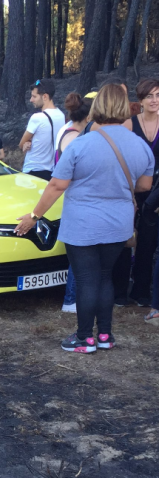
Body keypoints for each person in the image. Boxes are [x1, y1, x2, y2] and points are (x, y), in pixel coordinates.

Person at [14, 84, 154, 353]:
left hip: (83, 224)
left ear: (98, 107)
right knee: (104, 277)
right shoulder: (139, 145)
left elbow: (56, 185)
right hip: (119, 224)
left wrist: (34, 216)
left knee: (87, 279)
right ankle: (105, 335)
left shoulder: (81, 144)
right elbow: (145, 185)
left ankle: (83, 338)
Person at [52, 93, 93, 313]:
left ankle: (73, 299)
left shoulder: (69, 133)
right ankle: (71, 300)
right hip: (73, 199)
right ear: (88, 118)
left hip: (71, 198)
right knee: (79, 255)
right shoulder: (75, 138)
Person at [126, 78, 159, 316]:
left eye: (158, 95)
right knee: (126, 239)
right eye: (149, 96)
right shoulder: (130, 124)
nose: (154, 100)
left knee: (148, 242)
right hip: (132, 189)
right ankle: (121, 287)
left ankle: (142, 291)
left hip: (157, 193)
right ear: (141, 100)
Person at [18, 79, 66, 181]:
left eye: (34, 96)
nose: (31, 100)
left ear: (45, 96)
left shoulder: (37, 118)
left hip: (33, 170)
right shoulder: (61, 116)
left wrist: (27, 142)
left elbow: (21, 144)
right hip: (53, 171)